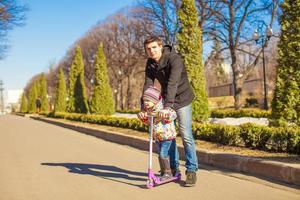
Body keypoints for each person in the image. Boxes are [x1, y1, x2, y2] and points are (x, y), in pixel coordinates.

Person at [140, 36, 198, 186]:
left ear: (160, 47)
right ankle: (172, 169)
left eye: (154, 47)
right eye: (148, 49)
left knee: (185, 134)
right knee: (168, 135)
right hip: (168, 99)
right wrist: (144, 107)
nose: (151, 51)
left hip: (182, 99)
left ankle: (191, 170)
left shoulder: (174, 59)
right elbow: (148, 84)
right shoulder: (150, 64)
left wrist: (168, 107)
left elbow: (173, 83)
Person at [138, 86, 179, 181]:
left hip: (166, 136)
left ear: (155, 100)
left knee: (162, 154)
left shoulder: (163, 107)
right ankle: (164, 171)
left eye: (148, 100)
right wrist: (143, 118)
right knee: (160, 154)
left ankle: (168, 173)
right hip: (157, 137)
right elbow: (149, 123)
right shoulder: (149, 110)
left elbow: (173, 114)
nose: (145, 103)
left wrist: (166, 114)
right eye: (144, 100)